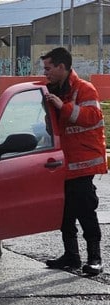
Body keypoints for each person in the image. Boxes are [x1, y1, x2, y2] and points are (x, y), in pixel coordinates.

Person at [42, 47, 107, 275]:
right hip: (61, 164)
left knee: (85, 211)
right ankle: (71, 256)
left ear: (62, 67)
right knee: (64, 212)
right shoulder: (54, 90)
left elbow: (93, 117)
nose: (45, 73)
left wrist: (63, 106)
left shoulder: (84, 89)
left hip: (82, 164)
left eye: (48, 68)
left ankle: (95, 258)